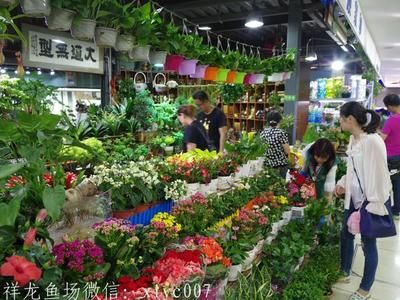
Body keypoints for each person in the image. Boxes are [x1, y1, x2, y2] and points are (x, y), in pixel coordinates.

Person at [335, 101, 392, 300]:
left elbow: (380, 175)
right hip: (354, 197)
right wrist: (343, 183)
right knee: (346, 233)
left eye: (341, 119)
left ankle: (365, 289)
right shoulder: (354, 139)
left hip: (371, 201)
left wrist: (373, 204)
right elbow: (353, 168)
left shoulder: (373, 141)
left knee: (369, 244)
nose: (339, 123)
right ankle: (345, 270)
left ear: (349, 119)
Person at [380, 94, 400, 220]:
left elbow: (382, 139)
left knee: (386, 184)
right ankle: (397, 209)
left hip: (390, 156)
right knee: (398, 184)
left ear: (391, 106)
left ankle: (387, 209)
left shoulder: (391, 120)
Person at [260, 111, 290, 178]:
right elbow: (287, 151)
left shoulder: (263, 133)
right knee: (280, 185)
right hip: (280, 165)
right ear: (279, 121)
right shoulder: (281, 133)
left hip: (267, 165)